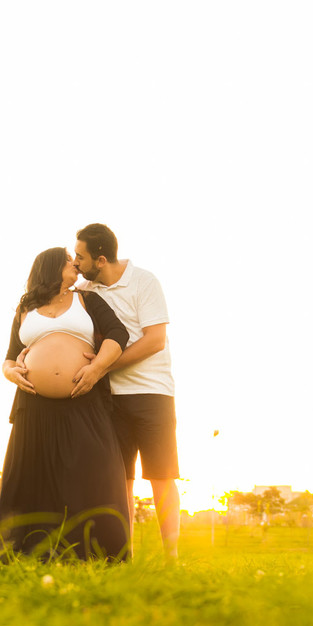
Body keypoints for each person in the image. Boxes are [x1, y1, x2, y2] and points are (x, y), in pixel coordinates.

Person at [0, 246, 131, 561]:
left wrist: (96, 369)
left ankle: (100, 556)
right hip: (33, 403)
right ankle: (28, 556)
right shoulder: (24, 308)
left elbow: (117, 335)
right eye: (69, 260)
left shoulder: (87, 300)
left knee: (94, 473)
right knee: (32, 477)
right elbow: (8, 358)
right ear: (52, 267)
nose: (75, 263)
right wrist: (12, 372)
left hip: (83, 397)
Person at [73, 223, 181, 560]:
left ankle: (171, 558)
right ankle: (124, 555)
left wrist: (101, 366)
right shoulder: (85, 289)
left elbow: (154, 340)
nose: (76, 263)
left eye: (81, 257)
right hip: (109, 398)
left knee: (161, 476)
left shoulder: (144, 281)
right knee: (121, 481)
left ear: (101, 259)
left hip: (152, 393)